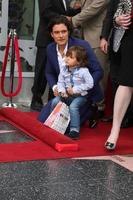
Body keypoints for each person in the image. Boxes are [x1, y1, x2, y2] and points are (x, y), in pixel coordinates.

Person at [38, 16, 104, 128]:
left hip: (83, 94)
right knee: (43, 121)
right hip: (64, 93)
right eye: (57, 32)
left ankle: (91, 109)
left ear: (68, 32)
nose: (60, 35)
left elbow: (98, 71)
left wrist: (81, 88)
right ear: (52, 34)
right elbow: (49, 72)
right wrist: (55, 87)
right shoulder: (50, 48)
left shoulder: (82, 45)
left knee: (65, 127)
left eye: (64, 31)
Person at [30, 0, 81, 111]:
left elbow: (66, 12)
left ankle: (52, 100)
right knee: (42, 71)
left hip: (60, 41)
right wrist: (64, 18)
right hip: (46, 38)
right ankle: (36, 99)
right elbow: (45, 12)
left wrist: (77, 10)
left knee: (57, 69)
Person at [71, 0, 110, 118]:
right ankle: (87, 104)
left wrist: (72, 20)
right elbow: (73, 4)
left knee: (99, 72)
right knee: (82, 73)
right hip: (83, 36)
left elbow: (93, 9)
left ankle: (100, 106)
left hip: (98, 38)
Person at [104, 0, 133, 150]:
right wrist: (117, 20)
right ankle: (114, 132)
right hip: (129, 37)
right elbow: (113, 12)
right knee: (126, 82)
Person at [51, 46, 94, 139]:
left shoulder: (84, 71)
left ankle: (74, 131)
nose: (67, 58)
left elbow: (90, 84)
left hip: (80, 97)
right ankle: (54, 123)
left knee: (73, 106)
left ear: (78, 61)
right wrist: (62, 91)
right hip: (67, 95)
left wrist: (75, 90)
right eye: (67, 56)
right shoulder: (64, 69)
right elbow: (60, 82)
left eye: (71, 57)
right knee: (55, 101)